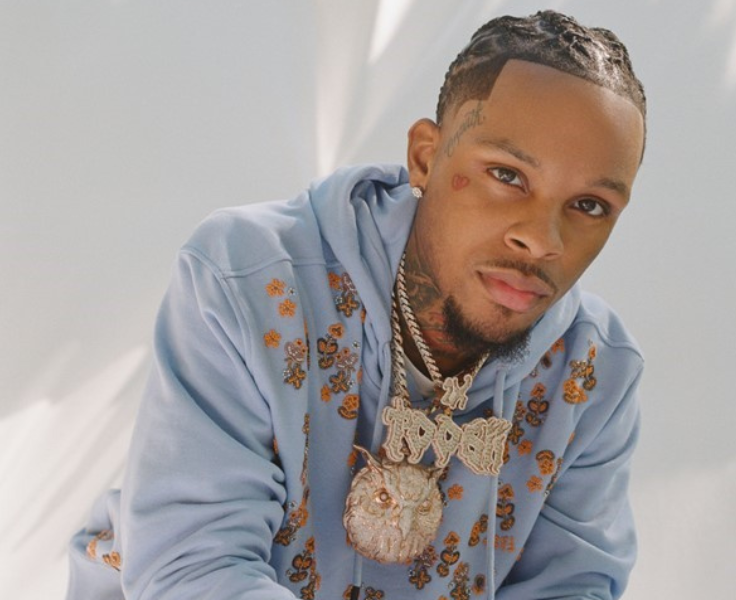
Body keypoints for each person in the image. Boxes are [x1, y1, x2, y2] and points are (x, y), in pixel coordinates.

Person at [66, 9, 647, 600]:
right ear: (425, 156)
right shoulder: (251, 279)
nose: (543, 240)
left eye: (591, 205)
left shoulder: (593, 370)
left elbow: (570, 586)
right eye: (507, 174)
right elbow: (196, 570)